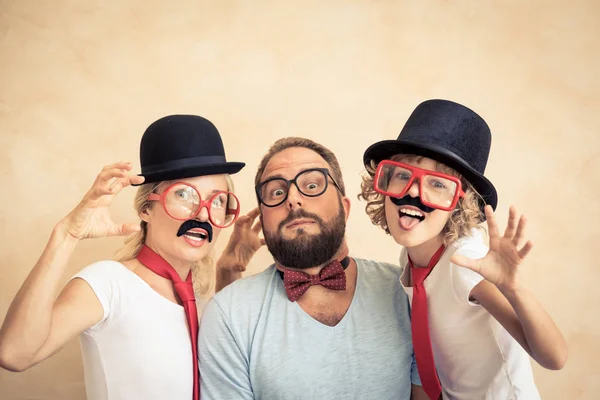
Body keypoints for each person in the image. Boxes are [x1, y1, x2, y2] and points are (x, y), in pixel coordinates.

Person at [0, 114, 261, 400]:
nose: (202, 213)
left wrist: (227, 272)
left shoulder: (199, 303)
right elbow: (15, 354)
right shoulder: (108, 283)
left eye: (218, 200)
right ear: (146, 208)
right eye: (185, 194)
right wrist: (66, 235)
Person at [360, 99, 568, 399]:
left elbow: (554, 357)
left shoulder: (466, 262)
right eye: (403, 176)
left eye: (438, 184)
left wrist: (513, 288)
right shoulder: (410, 256)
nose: (415, 192)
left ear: (460, 204)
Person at [198, 137, 427, 399]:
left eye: (312, 185)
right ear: (263, 218)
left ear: (344, 207)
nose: (293, 199)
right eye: (276, 192)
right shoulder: (228, 314)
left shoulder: (406, 291)